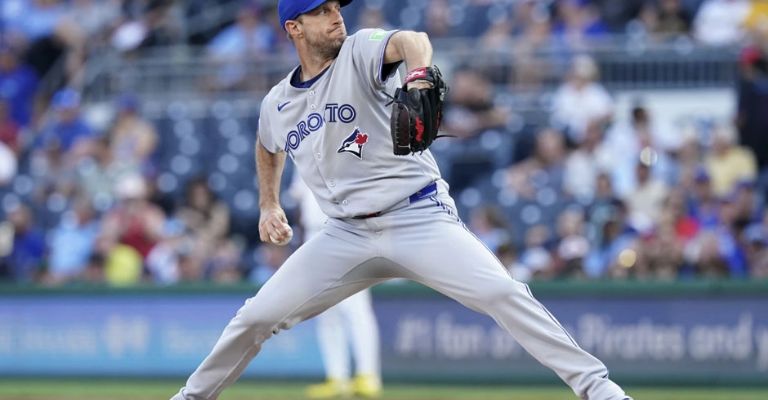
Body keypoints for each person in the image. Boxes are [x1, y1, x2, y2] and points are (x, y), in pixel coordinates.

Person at [170, 1, 632, 400]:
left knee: (502, 292)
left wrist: (417, 74)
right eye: (321, 12)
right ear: (294, 27)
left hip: (418, 216)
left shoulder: (358, 50)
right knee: (255, 317)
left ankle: (598, 388)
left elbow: (413, 39)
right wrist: (269, 203)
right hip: (345, 235)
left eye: (336, 8)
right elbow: (267, 146)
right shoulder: (277, 102)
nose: (336, 18)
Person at [290, 174, 381, 399]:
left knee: (355, 307)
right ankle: (337, 376)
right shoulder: (303, 143)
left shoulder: (350, 143)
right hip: (313, 233)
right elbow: (297, 192)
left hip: (346, 229)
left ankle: (367, 374)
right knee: (325, 310)